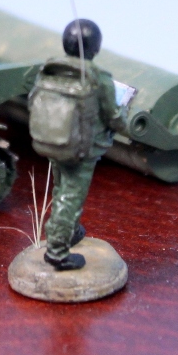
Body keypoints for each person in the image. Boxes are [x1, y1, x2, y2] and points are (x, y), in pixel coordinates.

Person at [29, 19, 127, 270]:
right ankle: (57, 251)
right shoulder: (98, 78)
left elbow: (32, 100)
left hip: (51, 141)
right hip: (82, 149)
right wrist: (124, 117)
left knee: (61, 188)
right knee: (70, 196)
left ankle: (69, 231)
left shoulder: (49, 69)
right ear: (96, 48)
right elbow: (113, 117)